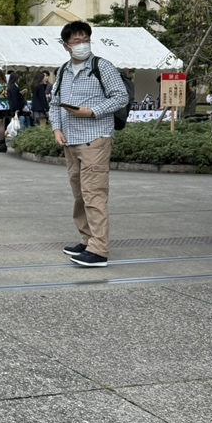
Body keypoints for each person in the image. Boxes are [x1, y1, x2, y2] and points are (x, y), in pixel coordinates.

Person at [49, 20, 129, 268]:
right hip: (70, 141)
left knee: (94, 193)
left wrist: (92, 111)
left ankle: (98, 249)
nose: (82, 44)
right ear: (66, 46)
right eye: (76, 41)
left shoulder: (102, 66)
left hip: (96, 138)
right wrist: (56, 129)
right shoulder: (63, 70)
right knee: (79, 195)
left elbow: (121, 97)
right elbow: (55, 103)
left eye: (85, 39)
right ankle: (87, 240)